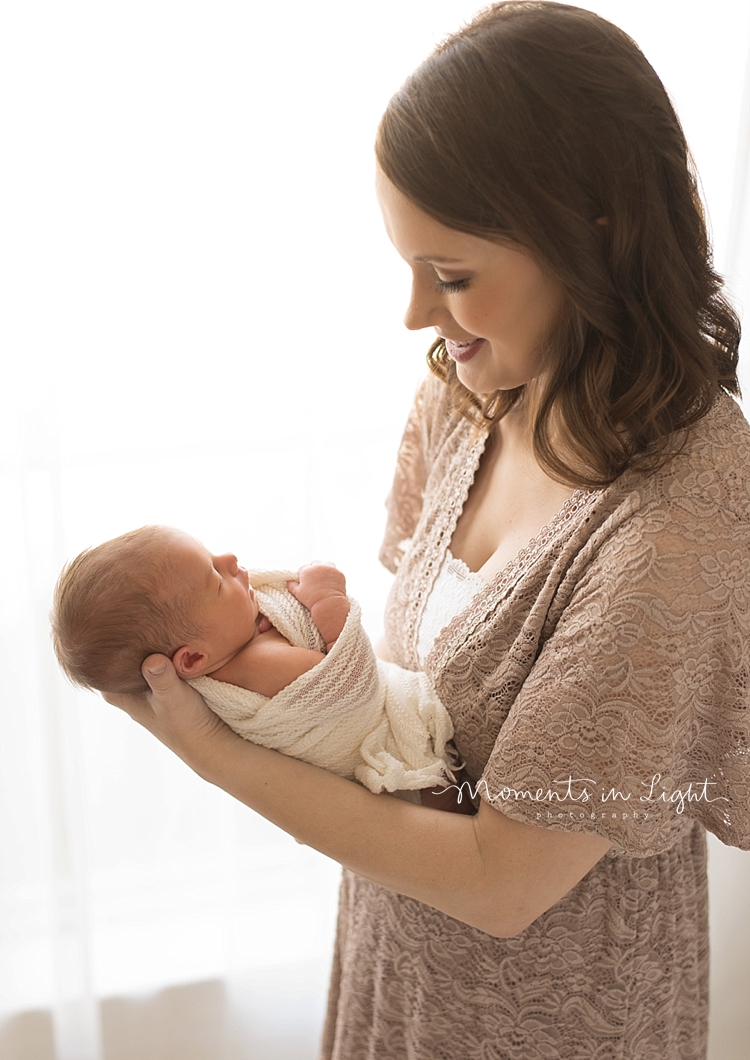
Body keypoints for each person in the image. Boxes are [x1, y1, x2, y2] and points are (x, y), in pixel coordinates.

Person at [103, 3, 750, 1058]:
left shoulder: (681, 521)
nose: (416, 314)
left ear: (591, 233)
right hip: (398, 968)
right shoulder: (469, 396)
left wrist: (209, 748)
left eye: (450, 276)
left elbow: (503, 881)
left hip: (558, 1023)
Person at [51, 525, 459, 794]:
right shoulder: (253, 667)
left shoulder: (232, 638)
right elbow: (349, 683)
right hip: (401, 769)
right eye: (215, 578)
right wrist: (328, 603)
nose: (230, 560)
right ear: (192, 658)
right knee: (451, 799)